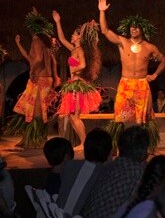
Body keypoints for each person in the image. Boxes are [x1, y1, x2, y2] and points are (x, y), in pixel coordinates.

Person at [98, 0, 165, 152]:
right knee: (120, 118)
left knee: (143, 120)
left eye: (136, 27)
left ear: (142, 29)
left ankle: (145, 147)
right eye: (131, 27)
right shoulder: (123, 42)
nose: (133, 29)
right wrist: (102, 12)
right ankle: (119, 147)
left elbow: (164, 61)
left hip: (142, 84)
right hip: (125, 83)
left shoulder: (150, 47)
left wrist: (155, 74)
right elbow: (105, 30)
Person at [10, 8, 60, 149]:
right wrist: (18, 43)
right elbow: (30, 57)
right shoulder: (45, 41)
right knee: (27, 108)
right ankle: (29, 138)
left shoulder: (37, 39)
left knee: (36, 111)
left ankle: (37, 139)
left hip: (40, 80)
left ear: (33, 29)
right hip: (43, 79)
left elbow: (37, 59)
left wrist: (32, 71)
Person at [52, 10, 102, 150]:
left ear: (79, 37)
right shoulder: (74, 49)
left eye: (74, 34)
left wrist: (74, 68)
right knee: (72, 115)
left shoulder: (80, 51)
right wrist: (58, 22)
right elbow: (61, 39)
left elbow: (84, 65)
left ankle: (84, 142)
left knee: (75, 116)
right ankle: (83, 142)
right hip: (73, 84)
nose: (72, 36)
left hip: (77, 85)